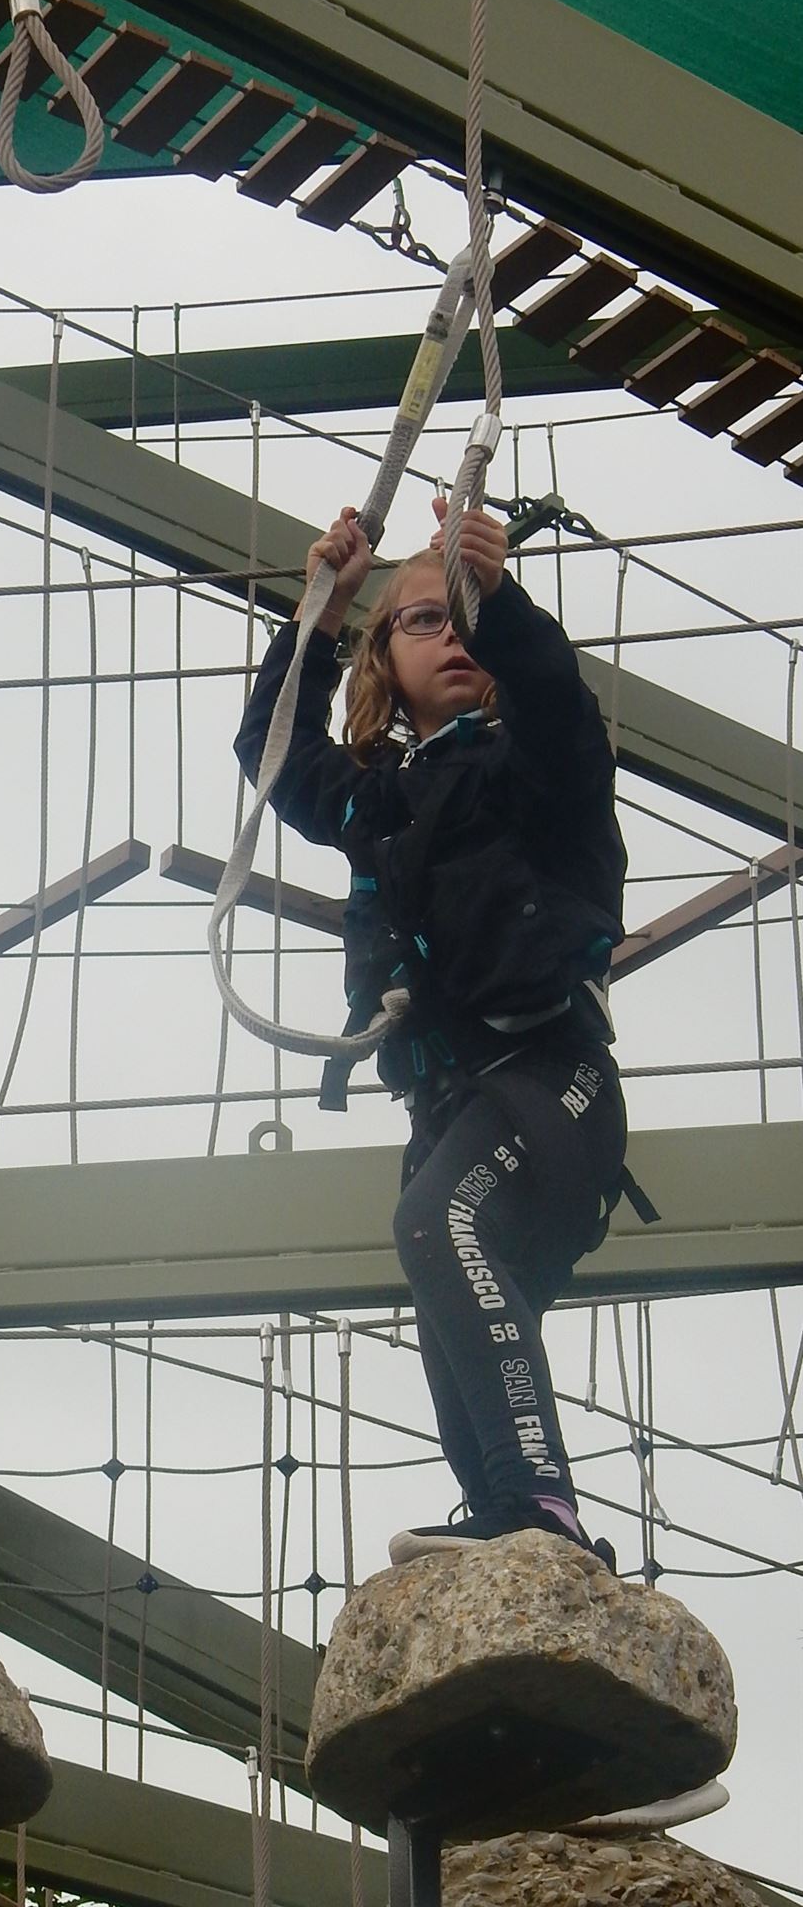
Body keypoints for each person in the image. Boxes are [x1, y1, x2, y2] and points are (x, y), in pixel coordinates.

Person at [235, 497, 649, 1569]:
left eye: (463, 620)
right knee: (439, 1278)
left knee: (436, 1226)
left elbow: (555, 703)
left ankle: (538, 1507)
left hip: (549, 1081)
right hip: (457, 1106)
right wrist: (319, 612)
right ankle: (502, 1514)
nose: (452, 634)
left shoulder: (537, 774)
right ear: (384, 656)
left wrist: (494, 598)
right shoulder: (382, 801)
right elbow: (274, 754)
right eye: (425, 619)